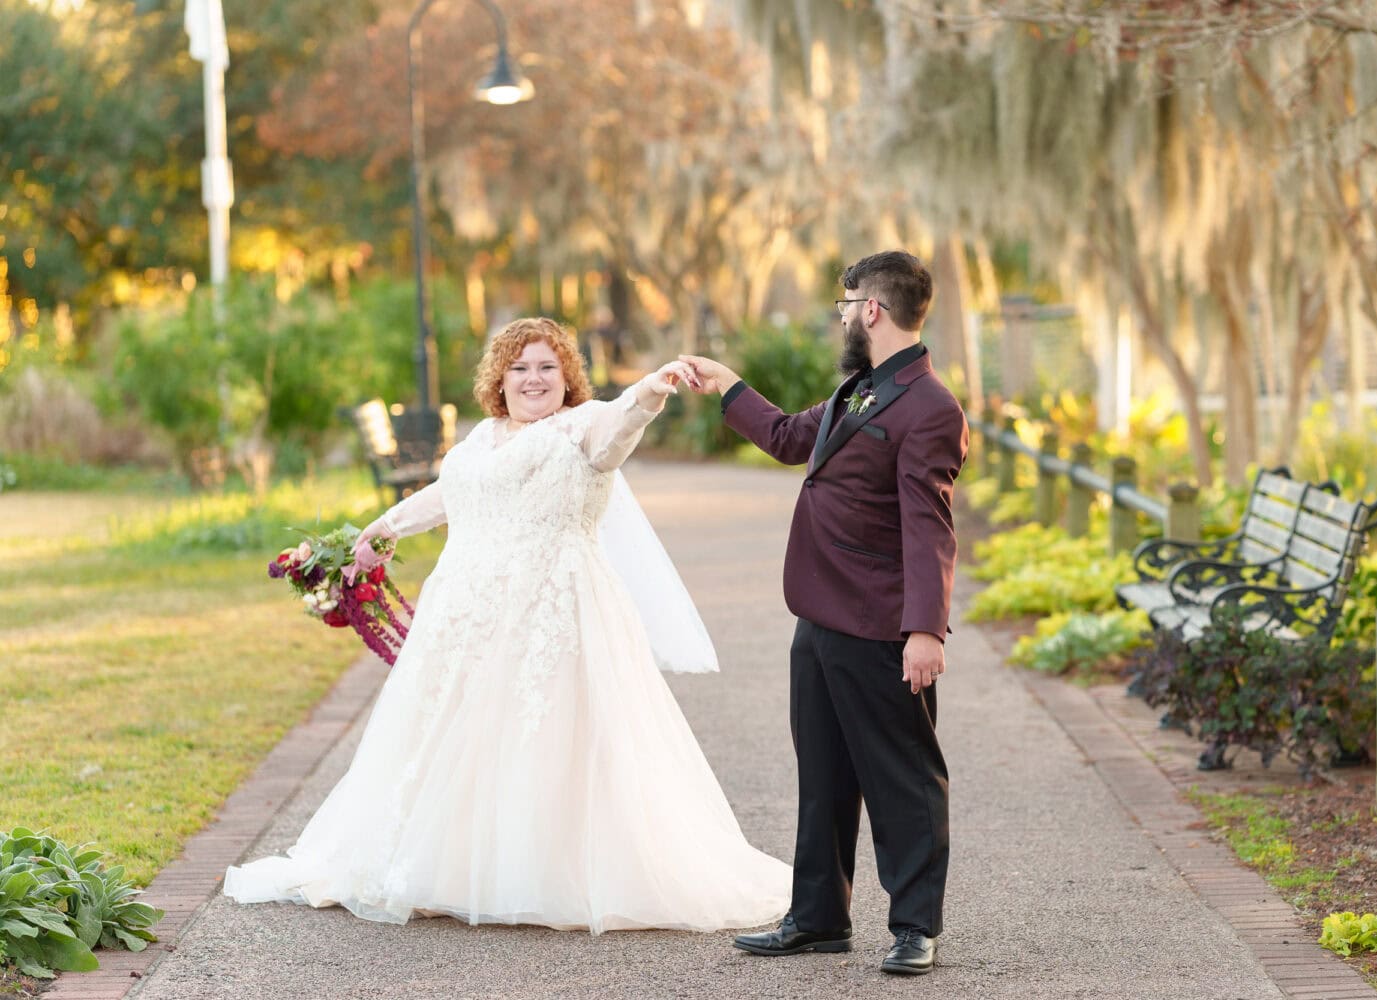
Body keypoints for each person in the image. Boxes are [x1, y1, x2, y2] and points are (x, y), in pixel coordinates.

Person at [225, 317, 791, 932]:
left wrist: (652, 388)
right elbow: (448, 496)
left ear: (566, 375)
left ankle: (542, 872)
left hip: (554, 607)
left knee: (547, 734)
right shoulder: (481, 439)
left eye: (547, 367)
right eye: (520, 368)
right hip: (468, 613)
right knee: (461, 737)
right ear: (499, 377)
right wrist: (381, 530)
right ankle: (452, 867)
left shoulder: (582, 427)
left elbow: (620, 424)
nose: (533, 379)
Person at [680, 250, 967, 975]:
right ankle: (818, 917)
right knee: (825, 773)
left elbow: (928, 524)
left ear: (870, 309)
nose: (840, 319)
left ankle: (914, 928)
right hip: (819, 618)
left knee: (902, 776)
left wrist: (925, 629)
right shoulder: (859, 392)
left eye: (844, 306)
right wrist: (726, 384)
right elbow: (785, 439)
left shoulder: (930, 406)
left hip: (880, 625)